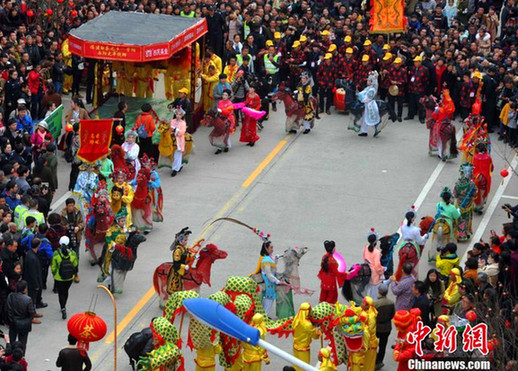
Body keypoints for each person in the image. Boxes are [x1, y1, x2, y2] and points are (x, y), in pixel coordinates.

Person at [51, 236, 78, 319]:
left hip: (59, 278)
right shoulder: (73, 253)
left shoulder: (56, 253)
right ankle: (64, 305)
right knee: (66, 291)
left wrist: (54, 273)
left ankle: (63, 307)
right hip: (69, 278)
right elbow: (75, 265)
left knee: (61, 293)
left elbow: (53, 267)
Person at [166, 227, 196, 294]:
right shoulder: (177, 250)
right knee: (177, 284)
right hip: (178, 270)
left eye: (186, 240)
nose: (186, 241)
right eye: (185, 240)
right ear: (180, 240)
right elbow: (176, 263)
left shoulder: (184, 248)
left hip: (185, 266)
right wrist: (184, 266)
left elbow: (188, 253)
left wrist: (194, 256)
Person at [7, 281, 36, 349]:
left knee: (12, 340)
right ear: (24, 289)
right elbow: (32, 312)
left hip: (13, 322)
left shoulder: (11, 296)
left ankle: (11, 354)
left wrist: (10, 320)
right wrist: (30, 319)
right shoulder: (28, 299)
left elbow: (8, 309)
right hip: (24, 323)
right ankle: (21, 355)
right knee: (23, 341)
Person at [454, 164, 477, 242]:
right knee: (466, 219)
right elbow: (475, 194)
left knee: (459, 219)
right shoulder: (471, 184)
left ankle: (458, 234)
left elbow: (455, 194)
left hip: (459, 203)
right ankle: (464, 234)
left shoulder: (457, 184)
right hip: (468, 204)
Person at [23, 238, 47, 314]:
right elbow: (33, 273)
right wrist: (36, 284)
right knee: (32, 298)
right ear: (38, 245)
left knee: (32, 297)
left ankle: (33, 311)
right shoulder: (32, 257)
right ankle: (32, 314)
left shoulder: (29, 253)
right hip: (32, 282)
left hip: (30, 280)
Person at [375, 284, 395, 370]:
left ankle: (373, 359)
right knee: (383, 345)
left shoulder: (376, 304)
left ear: (379, 292)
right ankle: (379, 361)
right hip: (387, 327)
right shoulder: (391, 302)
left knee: (374, 344)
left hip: (377, 327)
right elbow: (392, 315)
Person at [472, 142, 493, 214]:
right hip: (485, 178)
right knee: (483, 192)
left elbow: (472, 167)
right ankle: (480, 207)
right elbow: (491, 167)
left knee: (475, 191)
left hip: (476, 178)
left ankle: (476, 205)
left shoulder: (475, 157)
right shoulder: (488, 157)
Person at [363, 228, 385, 300]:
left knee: (366, 292)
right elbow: (377, 266)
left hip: (366, 272)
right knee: (373, 295)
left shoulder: (366, 248)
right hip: (374, 275)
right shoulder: (377, 252)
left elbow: (364, 258)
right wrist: (382, 270)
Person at [169, 107, 187, 177]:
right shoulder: (172, 121)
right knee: (173, 155)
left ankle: (175, 169)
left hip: (179, 141)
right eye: (177, 114)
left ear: (182, 116)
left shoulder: (183, 123)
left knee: (177, 155)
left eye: (179, 115)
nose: (178, 116)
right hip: (171, 139)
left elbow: (182, 132)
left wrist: (175, 130)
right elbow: (169, 129)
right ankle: (178, 166)